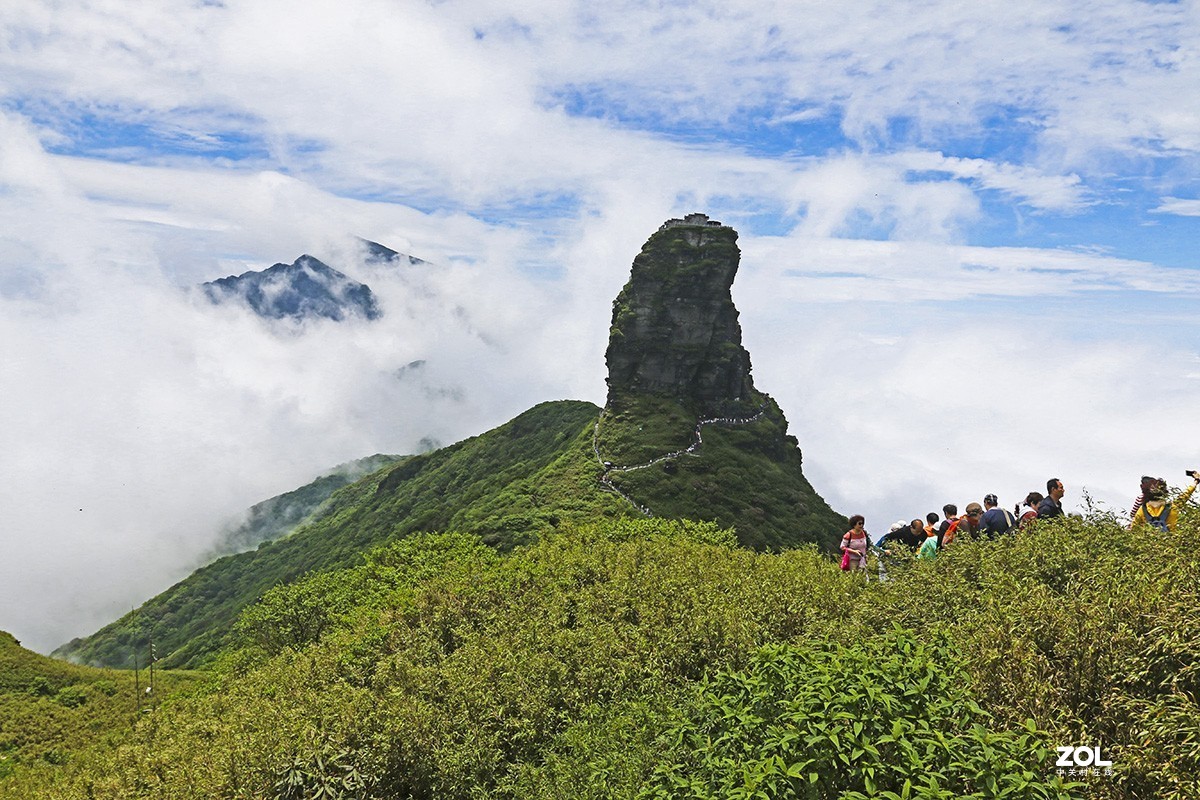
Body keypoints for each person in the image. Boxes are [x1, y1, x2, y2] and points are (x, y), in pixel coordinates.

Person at [1131, 471, 1200, 532]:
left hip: (1148, 542)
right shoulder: (1173, 506)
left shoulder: (1142, 510)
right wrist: (1196, 481)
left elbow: (1133, 528)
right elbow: (1186, 494)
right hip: (1171, 541)